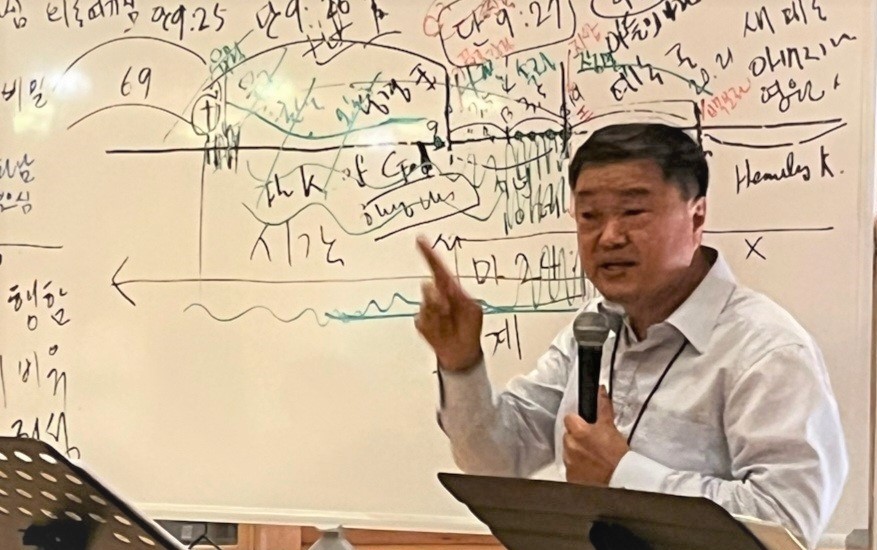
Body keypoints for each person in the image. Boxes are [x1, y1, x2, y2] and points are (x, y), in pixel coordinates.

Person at [414, 123, 847, 549]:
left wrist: (623, 472)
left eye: (633, 212)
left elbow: (788, 524)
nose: (609, 237)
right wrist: (461, 364)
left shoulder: (765, 350)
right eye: (589, 216)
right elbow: (498, 461)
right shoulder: (592, 330)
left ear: (697, 216)